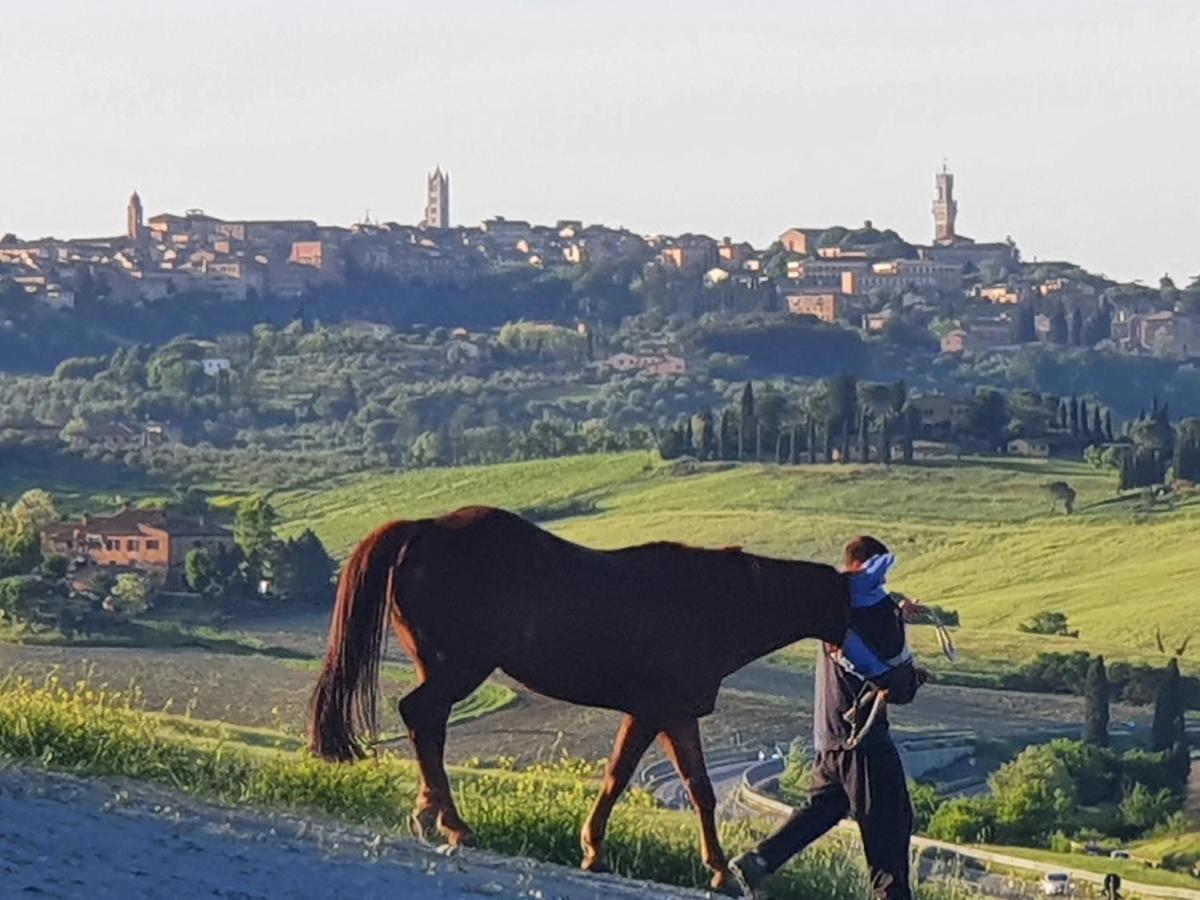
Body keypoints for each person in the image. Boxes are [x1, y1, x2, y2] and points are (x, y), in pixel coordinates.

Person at [730, 536, 930, 900]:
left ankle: (758, 862)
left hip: (830, 738)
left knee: (823, 809)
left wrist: (898, 615)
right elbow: (897, 685)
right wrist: (899, 633)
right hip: (863, 738)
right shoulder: (871, 609)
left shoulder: (835, 610)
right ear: (863, 568)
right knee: (889, 824)